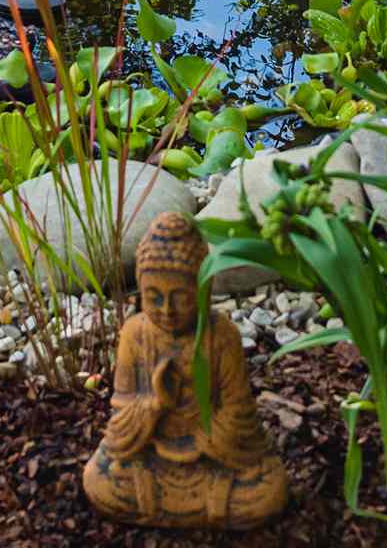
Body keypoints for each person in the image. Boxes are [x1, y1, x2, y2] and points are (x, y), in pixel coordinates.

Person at [83, 210, 289, 530]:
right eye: (154, 298)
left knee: (269, 490)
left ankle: (196, 506)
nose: (167, 311)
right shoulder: (135, 334)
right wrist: (155, 403)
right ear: (140, 291)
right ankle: (187, 507)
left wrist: (205, 438)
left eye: (181, 298)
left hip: (213, 457)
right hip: (151, 456)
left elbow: (238, 411)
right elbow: (121, 414)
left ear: (203, 291)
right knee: (100, 480)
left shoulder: (221, 336)